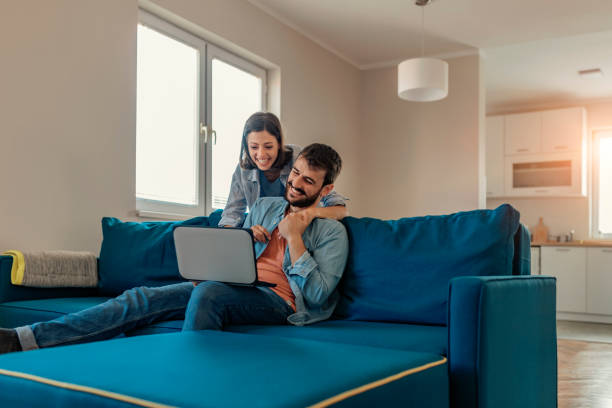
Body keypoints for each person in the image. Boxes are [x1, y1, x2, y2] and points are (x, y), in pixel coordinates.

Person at [0, 143, 349, 354]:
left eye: (308, 180)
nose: (296, 183)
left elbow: (318, 297)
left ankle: (190, 387)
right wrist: (247, 236)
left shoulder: (332, 232)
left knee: (208, 294)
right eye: (296, 173)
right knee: (140, 297)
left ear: (326, 186)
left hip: (280, 301)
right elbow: (234, 257)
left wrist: (296, 239)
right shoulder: (266, 208)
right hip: (234, 283)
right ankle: (23, 340)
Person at [219, 112, 348, 230]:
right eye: (254, 147)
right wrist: (244, 234)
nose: (261, 154)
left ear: (280, 144)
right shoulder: (243, 169)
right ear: (246, 147)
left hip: (299, 227)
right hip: (265, 235)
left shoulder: (297, 157)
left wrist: (309, 214)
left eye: (268, 146)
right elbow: (232, 214)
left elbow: (339, 207)